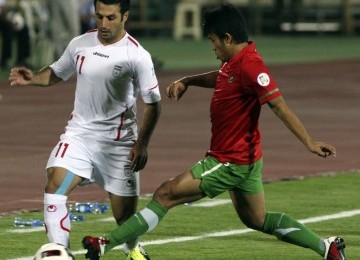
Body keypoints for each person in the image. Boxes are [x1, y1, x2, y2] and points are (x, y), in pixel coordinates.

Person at [81, 3, 346, 260]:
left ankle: (104, 245)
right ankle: (327, 248)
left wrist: (309, 142)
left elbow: (278, 106)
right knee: (258, 219)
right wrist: (189, 81)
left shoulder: (251, 67)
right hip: (246, 161)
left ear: (227, 38)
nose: (212, 46)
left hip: (229, 161)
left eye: (213, 40)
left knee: (165, 194)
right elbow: (222, 77)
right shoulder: (235, 62)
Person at [9, 0, 161, 259]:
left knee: (125, 220)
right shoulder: (80, 44)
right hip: (80, 136)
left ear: (125, 16)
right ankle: (60, 250)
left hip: (118, 145)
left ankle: (133, 249)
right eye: (99, 16)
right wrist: (33, 77)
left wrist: (142, 143)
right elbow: (57, 72)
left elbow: (153, 104)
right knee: (55, 184)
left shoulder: (137, 55)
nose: (103, 24)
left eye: (110, 17)